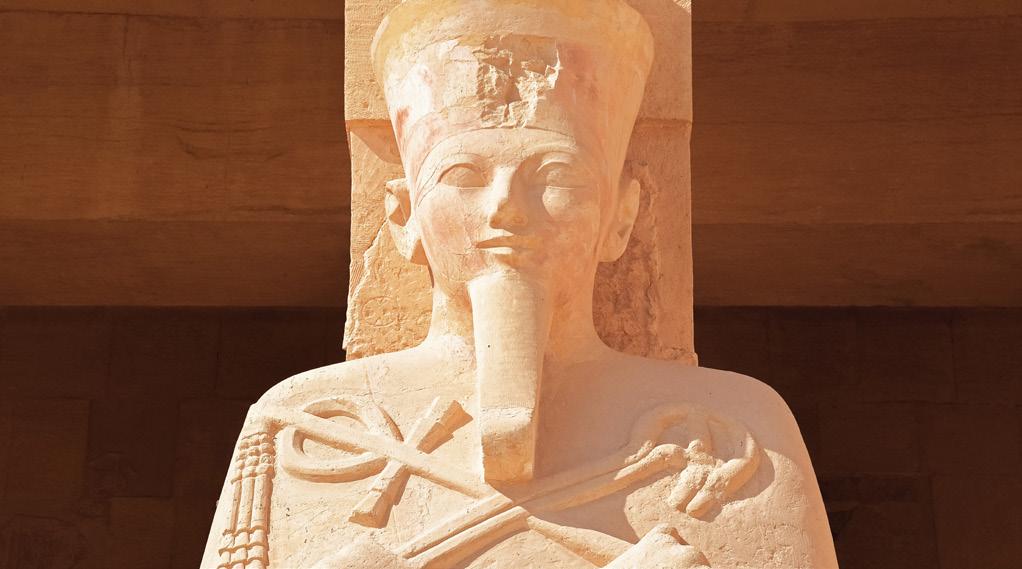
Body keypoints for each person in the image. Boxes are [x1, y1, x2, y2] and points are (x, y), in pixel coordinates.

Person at [202, 1, 839, 567]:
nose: (506, 208)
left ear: (619, 218)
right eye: (463, 175)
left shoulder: (743, 429)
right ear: (404, 218)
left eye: (555, 175)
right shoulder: (300, 425)